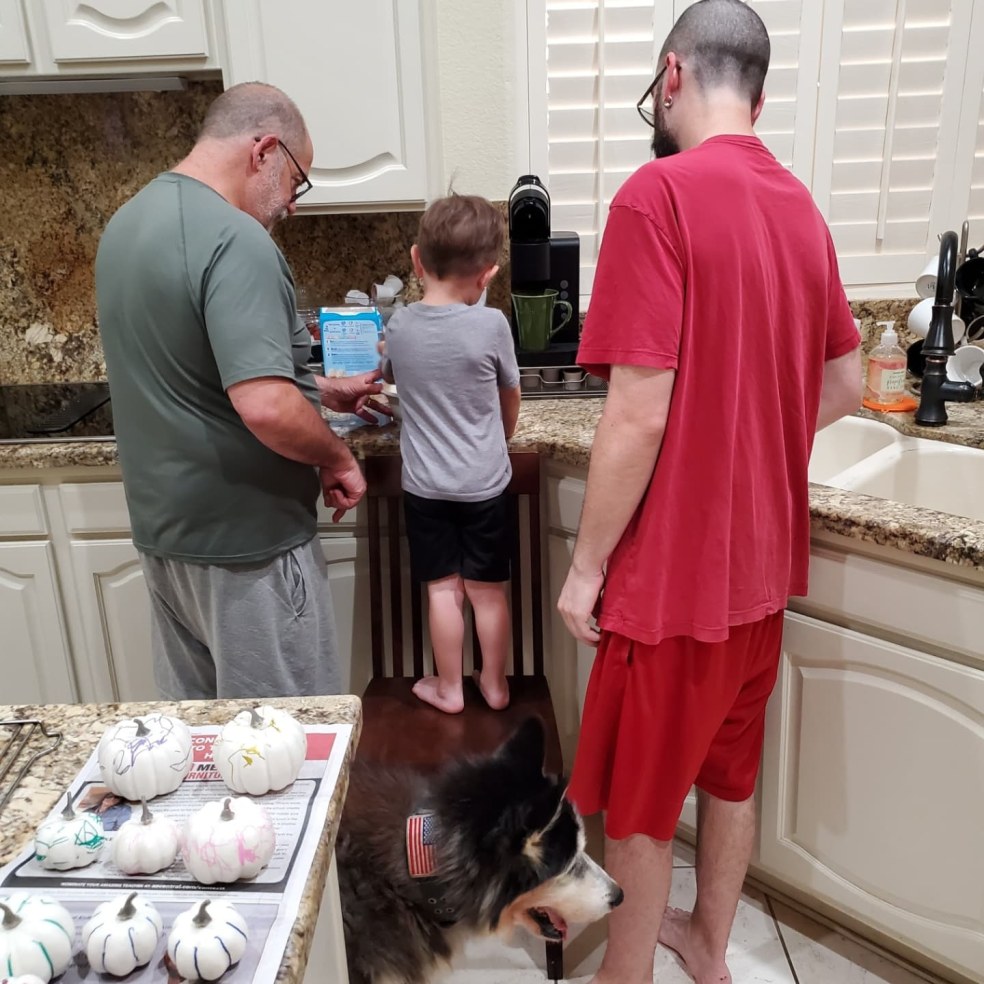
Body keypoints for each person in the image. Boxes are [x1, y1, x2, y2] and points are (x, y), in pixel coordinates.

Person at [555, 3, 863, 982]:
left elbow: (637, 414)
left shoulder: (657, 197)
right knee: (730, 778)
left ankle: (627, 975)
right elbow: (847, 382)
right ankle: (709, 945)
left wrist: (585, 568)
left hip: (674, 587)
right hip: (760, 580)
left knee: (642, 808)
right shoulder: (800, 207)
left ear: (672, 75)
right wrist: (750, 441)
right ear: (758, 99)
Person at [96, 82, 388, 702]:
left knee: (202, 741)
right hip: (249, 549)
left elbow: (199, 367)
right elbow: (265, 405)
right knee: (287, 738)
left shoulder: (127, 225)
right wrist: (337, 456)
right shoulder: (237, 239)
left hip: (167, 546)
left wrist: (317, 389)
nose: (292, 205)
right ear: (264, 150)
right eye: (296, 181)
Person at [381, 194, 521, 714]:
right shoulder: (492, 325)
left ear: (417, 260)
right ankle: (495, 685)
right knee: (488, 592)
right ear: (488, 274)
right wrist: (498, 439)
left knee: (443, 591)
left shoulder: (398, 327)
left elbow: (392, 378)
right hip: (485, 484)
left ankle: (449, 688)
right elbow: (510, 397)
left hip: (426, 488)